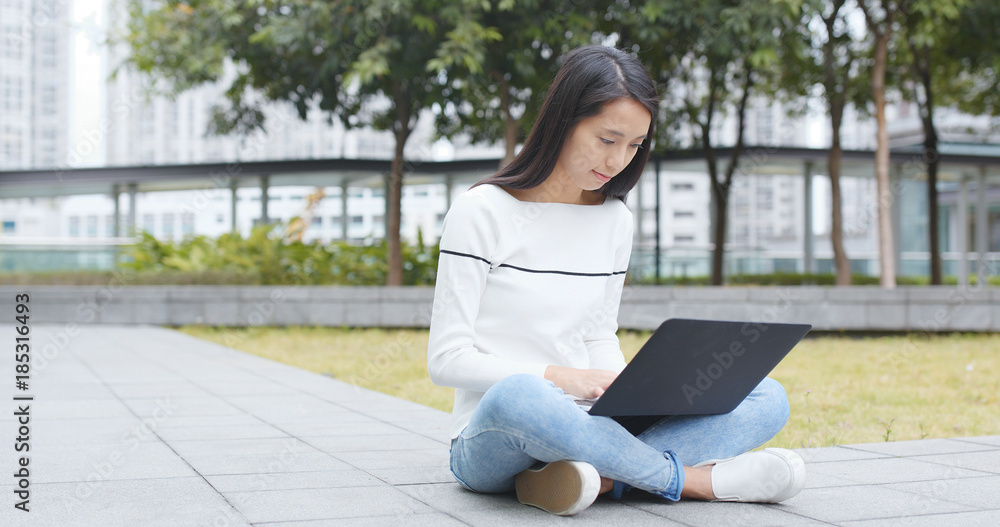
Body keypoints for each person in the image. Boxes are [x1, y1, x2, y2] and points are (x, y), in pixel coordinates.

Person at [426, 45, 806, 516]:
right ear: (564, 121)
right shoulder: (482, 210)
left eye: (635, 145)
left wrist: (629, 391)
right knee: (520, 394)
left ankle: (590, 478)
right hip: (496, 431)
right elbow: (446, 359)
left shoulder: (613, 221)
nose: (619, 159)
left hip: (589, 422)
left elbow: (598, 333)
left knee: (768, 397)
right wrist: (562, 378)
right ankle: (690, 481)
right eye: (607, 139)